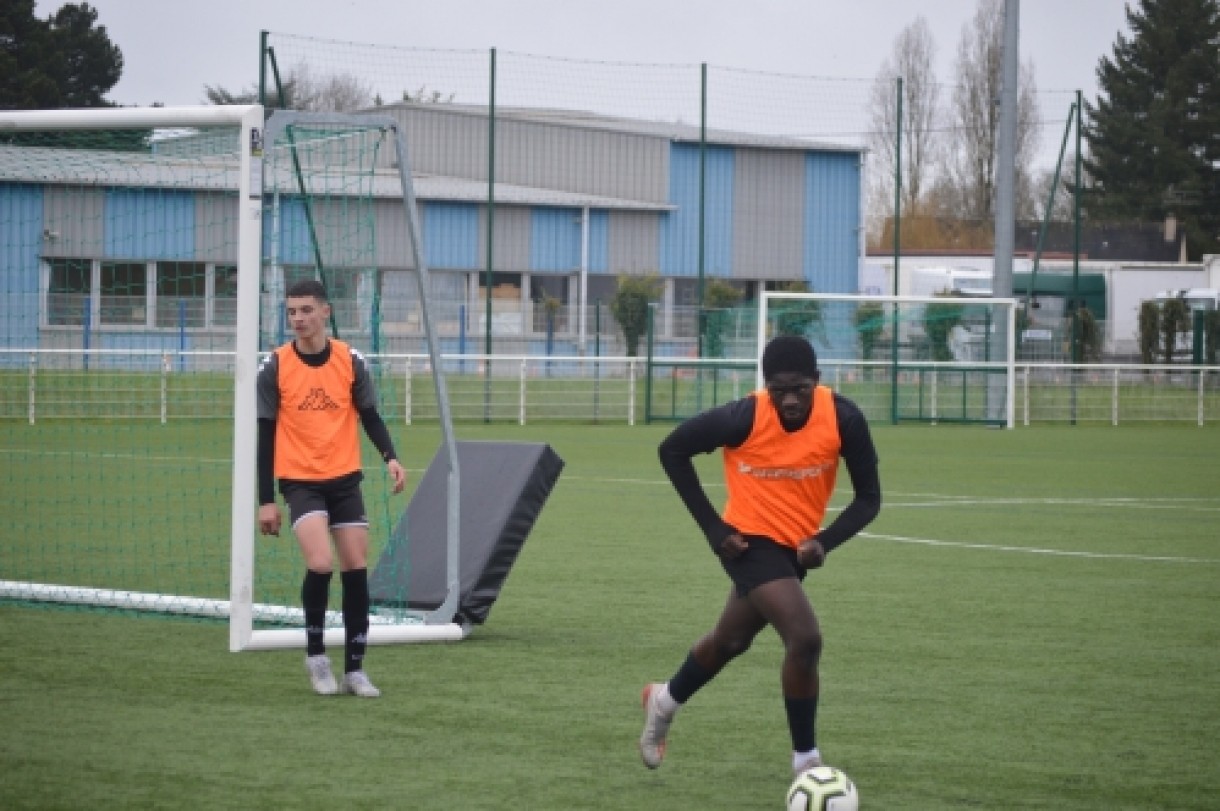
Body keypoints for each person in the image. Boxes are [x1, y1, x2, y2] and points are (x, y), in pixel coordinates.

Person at [639, 335, 881, 775]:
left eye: (799, 390)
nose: (789, 400)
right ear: (765, 385)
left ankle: (664, 700)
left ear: (817, 381)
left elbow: (869, 500)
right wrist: (715, 529)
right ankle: (806, 761)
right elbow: (671, 450)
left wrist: (823, 543)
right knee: (805, 638)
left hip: (794, 550)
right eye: (779, 390)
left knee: (730, 641)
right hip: (747, 543)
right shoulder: (743, 416)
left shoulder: (844, 418)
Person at [256, 279, 406, 698]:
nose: (297, 319)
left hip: (344, 478)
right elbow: (265, 435)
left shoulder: (350, 360)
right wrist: (266, 500)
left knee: (355, 565)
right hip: (300, 481)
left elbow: (370, 415)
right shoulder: (274, 367)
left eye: (306, 310)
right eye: (291, 312)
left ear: (326, 312)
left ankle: (355, 669)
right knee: (321, 563)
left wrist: (390, 457)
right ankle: (317, 658)